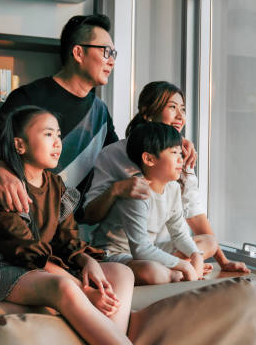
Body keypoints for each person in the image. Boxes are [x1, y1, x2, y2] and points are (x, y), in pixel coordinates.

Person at [0, 106, 134, 345]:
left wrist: (87, 261)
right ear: (20, 145)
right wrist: (84, 291)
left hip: (36, 267)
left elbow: (66, 238)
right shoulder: (5, 189)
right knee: (65, 286)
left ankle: (111, 338)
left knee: (121, 272)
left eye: (58, 135)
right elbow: (21, 250)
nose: (57, 142)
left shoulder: (55, 184)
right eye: (48, 134)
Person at [0, 14, 170, 217]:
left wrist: (172, 141)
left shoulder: (100, 111)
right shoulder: (30, 96)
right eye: (106, 51)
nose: (111, 61)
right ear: (78, 53)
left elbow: (123, 157)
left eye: (114, 54)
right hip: (19, 224)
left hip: (67, 230)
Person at [83, 81, 249, 275]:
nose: (180, 116)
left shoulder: (182, 158)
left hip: (158, 247)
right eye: (172, 107)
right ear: (147, 112)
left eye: (183, 109)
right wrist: (117, 190)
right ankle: (173, 270)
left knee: (209, 243)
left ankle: (173, 269)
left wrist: (223, 261)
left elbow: (194, 215)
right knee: (151, 268)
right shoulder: (113, 154)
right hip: (123, 250)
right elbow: (90, 215)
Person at [90, 121, 211, 284]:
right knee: (152, 272)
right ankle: (174, 274)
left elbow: (179, 234)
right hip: (116, 255)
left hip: (147, 251)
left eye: (180, 153)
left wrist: (196, 256)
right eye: (174, 152)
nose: (180, 159)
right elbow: (140, 249)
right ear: (149, 159)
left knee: (209, 242)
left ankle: (172, 271)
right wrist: (185, 266)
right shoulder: (136, 191)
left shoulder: (174, 189)